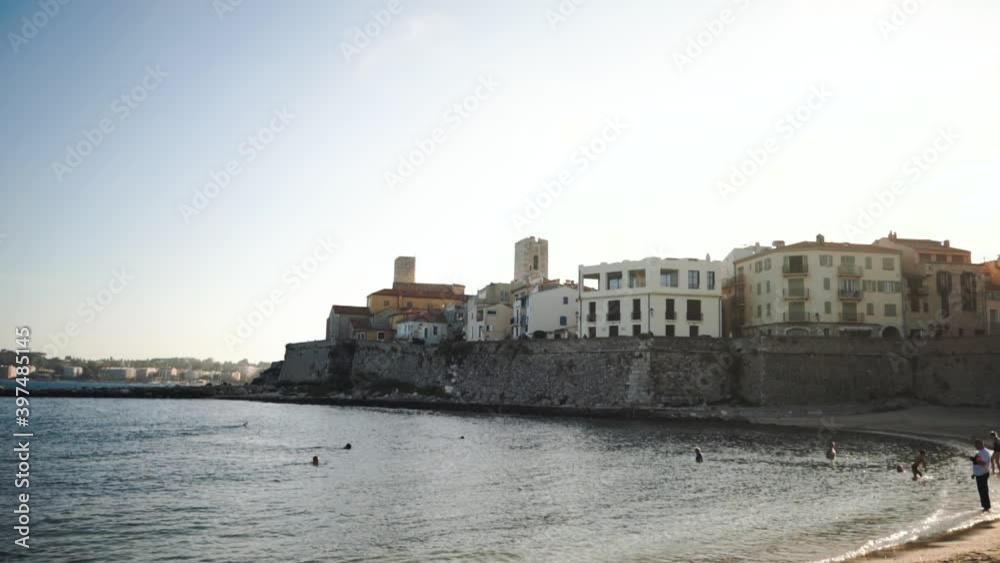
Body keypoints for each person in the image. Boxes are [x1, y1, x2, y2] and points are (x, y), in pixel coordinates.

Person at [971, 439, 991, 511]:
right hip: (979, 474)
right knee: (981, 491)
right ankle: (985, 506)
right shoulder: (980, 452)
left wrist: (975, 460)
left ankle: (987, 507)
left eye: (976, 445)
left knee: (983, 491)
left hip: (983, 474)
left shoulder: (985, 453)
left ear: (980, 444)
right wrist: (974, 473)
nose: (975, 446)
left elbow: (984, 464)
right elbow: (978, 463)